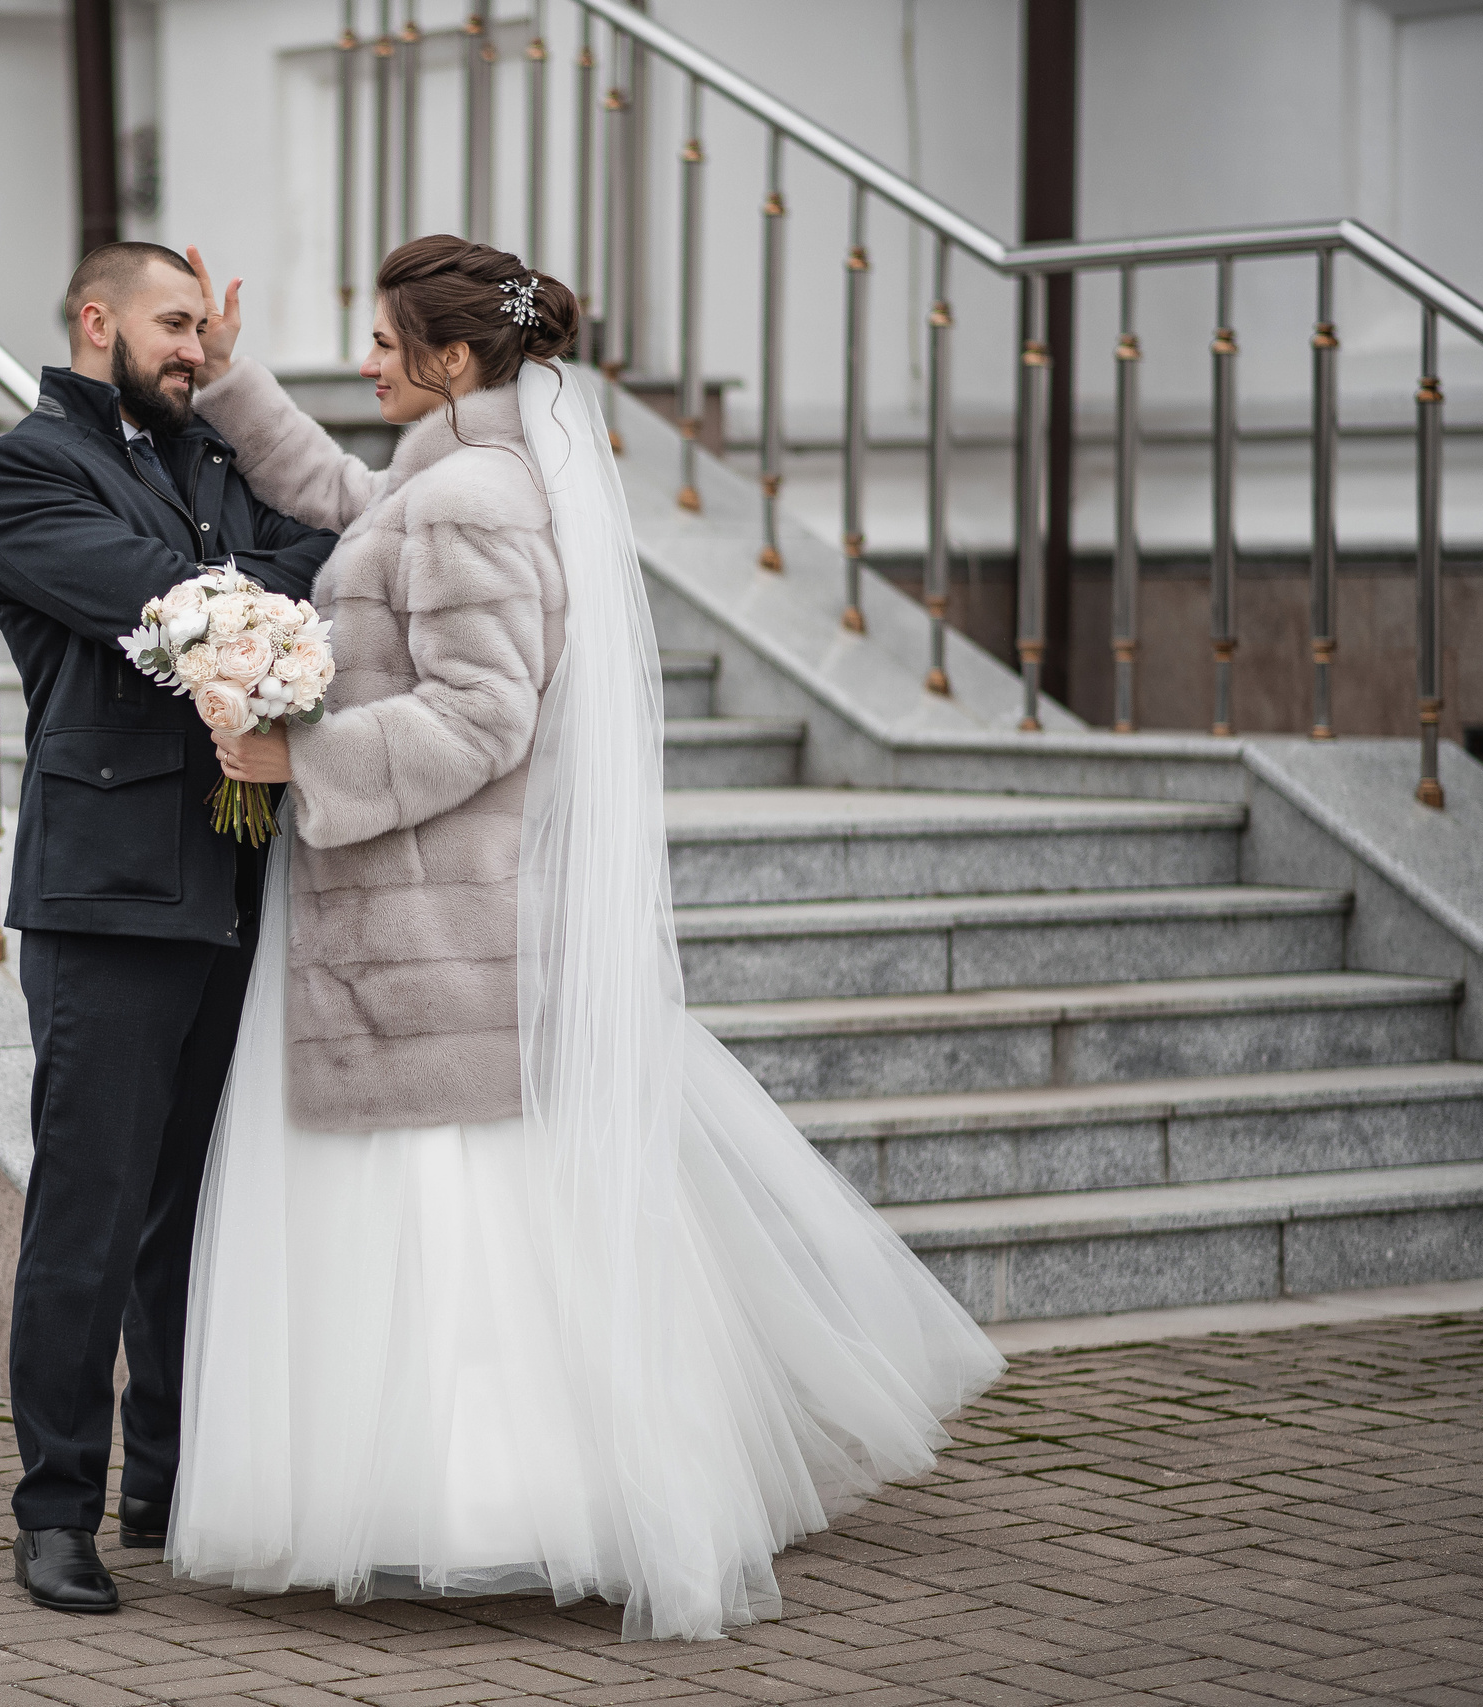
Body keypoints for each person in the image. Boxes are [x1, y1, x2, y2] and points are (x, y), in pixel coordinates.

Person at [170, 234, 1007, 1642]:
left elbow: (484, 716)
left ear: (446, 359)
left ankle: (491, 1507)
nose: (365, 360)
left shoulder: (475, 501)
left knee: (455, 1215)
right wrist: (235, 383)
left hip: (437, 919)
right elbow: (351, 499)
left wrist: (293, 760)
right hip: (423, 921)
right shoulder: (460, 478)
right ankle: (463, 1499)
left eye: (382, 341)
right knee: (457, 1211)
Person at [0, 242, 340, 1616]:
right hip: (108, 894)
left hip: (239, 883)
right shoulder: (23, 471)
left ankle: (165, 1484)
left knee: (201, 1208)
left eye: (205, 332)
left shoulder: (211, 454)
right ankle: (51, 1510)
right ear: (96, 320)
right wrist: (244, 566)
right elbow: (170, 603)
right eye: (173, 327)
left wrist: (245, 529)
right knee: (93, 1211)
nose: (194, 351)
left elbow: (324, 557)